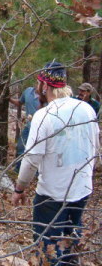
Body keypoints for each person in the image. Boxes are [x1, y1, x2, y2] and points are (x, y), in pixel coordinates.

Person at [12, 62, 100, 265]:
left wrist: (19, 188)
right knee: (69, 244)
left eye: (38, 84)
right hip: (82, 189)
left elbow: (32, 157)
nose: (36, 90)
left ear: (45, 86)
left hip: (52, 194)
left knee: (48, 249)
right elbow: (95, 147)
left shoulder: (44, 115)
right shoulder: (86, 109)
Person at [9, 85, 40, 172]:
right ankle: (18, 169)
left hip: (40, 129)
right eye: (40, 82)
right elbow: (19, 102)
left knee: (36, 151)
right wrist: (9, 99)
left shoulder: (46, 96)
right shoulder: (28, 91)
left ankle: (36, 173)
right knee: (20, 147)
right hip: (28, 127)